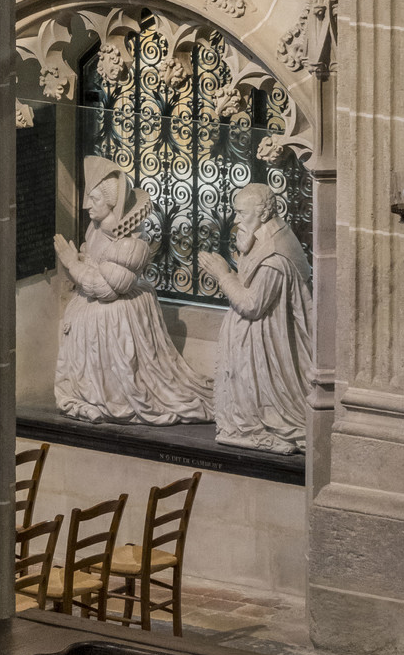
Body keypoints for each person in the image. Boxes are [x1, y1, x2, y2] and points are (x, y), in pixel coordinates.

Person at [50, 154, 212, 425]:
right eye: (88, 197)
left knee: (126, 378)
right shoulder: (95, 228)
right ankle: (89, 395)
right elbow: (93, 263)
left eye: (95, 199)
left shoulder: (131, 244)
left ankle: (110, 397)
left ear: (112, 202)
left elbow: (108, 289)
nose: (86, 205)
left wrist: (71, 263)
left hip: (117, 312)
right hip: (91, 309)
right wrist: (80, 262)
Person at [198, 184, 312, 453]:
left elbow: (252, 305)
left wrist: (222, 273)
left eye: (241, 213)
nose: (236, 220)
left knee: (263, 412)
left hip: (266, 350)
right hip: (257, 345)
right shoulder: (263, 241)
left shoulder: (274, 256)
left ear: (261, 215)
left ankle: (257, 428)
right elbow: (250, 284)